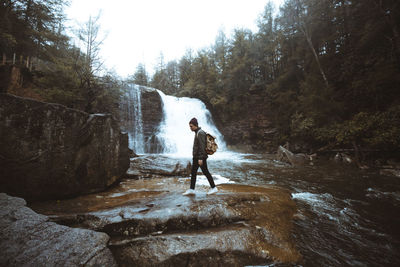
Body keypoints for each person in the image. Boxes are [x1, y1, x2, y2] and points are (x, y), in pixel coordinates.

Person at [183, 118, 218, 195]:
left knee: (205, 172)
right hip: (196, 157)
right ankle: (192, 189)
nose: (190, 128)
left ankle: (214, 188)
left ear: (195, 125)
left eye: (191, 126)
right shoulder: (197, 132)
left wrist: (200, 158)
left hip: (200, 157)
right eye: (190, 126)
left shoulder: (200, 133)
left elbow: (202, 147)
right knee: (194, 172)